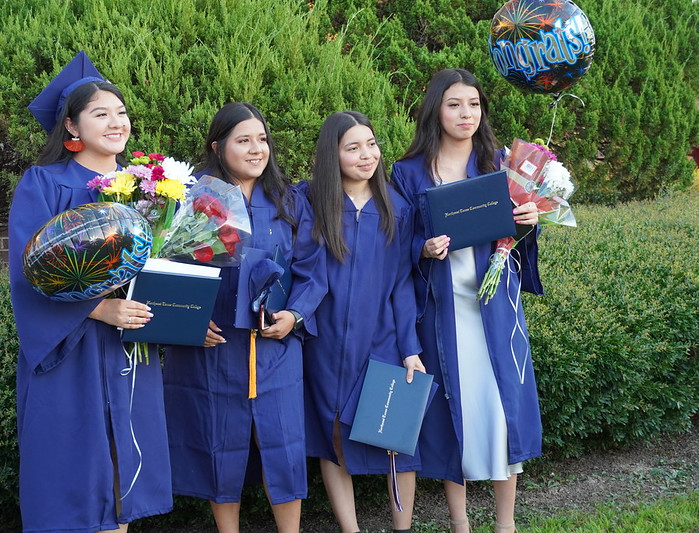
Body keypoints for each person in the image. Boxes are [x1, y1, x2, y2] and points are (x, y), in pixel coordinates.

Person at [8, 52, 173, 533]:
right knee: (73, 475)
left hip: (129, 347)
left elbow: (162, 265)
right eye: (101, 113)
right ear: (72, 128)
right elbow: (27, 273)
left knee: (125, 472)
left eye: (121, 111)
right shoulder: (45, 184)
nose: (116, 121)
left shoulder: (148, 190)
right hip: (71, 349)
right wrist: (100, 309)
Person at [161, 102, 327, 533]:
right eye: (243, 140)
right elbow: (169, 269)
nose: (257, 149)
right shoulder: (196, 202)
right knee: (220, 444)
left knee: (283, 444)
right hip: (215, 346)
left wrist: (294, 315)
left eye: (262, 139)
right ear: (218, 147)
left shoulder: (289, 201)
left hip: (275, 346)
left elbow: (314, 271)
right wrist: (188, 321)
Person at [391, 68, 544, 533]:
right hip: (443, 312)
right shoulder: (408, 172)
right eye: (455, 103)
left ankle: (505, 524)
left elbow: (518, 243)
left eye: (474, 104)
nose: (466, 113)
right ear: (436, 108)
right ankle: (460, 523)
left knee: (501, 412)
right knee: (456, 411)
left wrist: (529, 221)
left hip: (494, 310)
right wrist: (423, 248)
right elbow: (396, 246)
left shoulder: (501, 164)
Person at [301, 111, 425, 533]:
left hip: (382, 338)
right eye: (352, 147)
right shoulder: (310, 202)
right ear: (332, 154)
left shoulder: (397, 207)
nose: (366, 155)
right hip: (326, 342)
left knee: (395, 437)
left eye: (371, 144)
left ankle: (402, 527)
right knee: (332, 435)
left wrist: (410, 348)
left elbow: (402, 285)